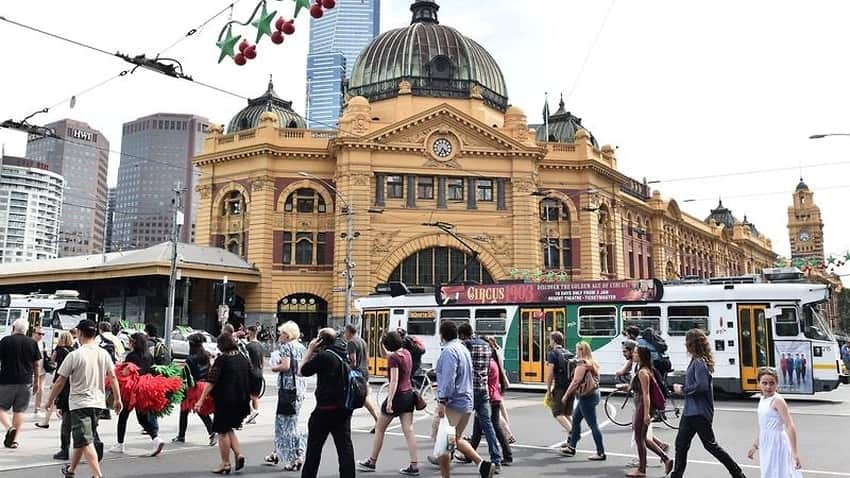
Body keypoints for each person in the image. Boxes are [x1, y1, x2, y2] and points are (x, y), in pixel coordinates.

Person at [46, 319, 122, 478]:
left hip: (79, 404)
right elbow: (113, 377)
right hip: (98, 403)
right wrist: (117, 399)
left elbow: (60, 381)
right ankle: (71, 470)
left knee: (86, 441)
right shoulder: (104, 353)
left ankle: (97, 475)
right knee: (82, 438)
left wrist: (49, 400)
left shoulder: (75, 355)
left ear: (79, 333)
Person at [670, 329, 746, 478]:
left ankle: (737, 473)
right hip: (690, 412)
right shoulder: (697, 360)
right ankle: (676, 475)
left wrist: (682, 389)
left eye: (686, 342)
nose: (685, 345)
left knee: (710, 445)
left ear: (691, 344)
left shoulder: (699, 362)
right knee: (681, 444)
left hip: (698, 413)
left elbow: (702, 385)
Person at [435, 320, 495, 478]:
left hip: (454, 402)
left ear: (442, 335)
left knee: (444, 443)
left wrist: (442, 401)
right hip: (467, 400)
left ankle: (446, 476)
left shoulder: (449, 351)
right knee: (455, 438)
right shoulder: (463, 348)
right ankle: (482, 464)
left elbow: (449, 378)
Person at [358, 331, 419, 476]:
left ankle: (372, 461)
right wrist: (381, 343)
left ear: (388, 345)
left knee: (379, 428)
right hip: (409, 394)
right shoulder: (406, 353)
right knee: (409, 431)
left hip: (397, 396)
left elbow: (394, 381)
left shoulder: (394, 358)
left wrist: (390, 400)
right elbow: (387, 355)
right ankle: (414, 464)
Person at [300, 328, 355, 478]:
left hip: (325, 409)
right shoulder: (343, 353)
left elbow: (302, 370)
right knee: (345, 449)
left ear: (320, 341)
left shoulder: (324, 356)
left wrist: (310, 350)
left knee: (314, 450)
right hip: (343, 408)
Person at [195, 333, 253, 474]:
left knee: (221, 432)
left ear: (222, 345)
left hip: (226, 400)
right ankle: (239, 454)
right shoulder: (243, 358)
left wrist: (200, 400)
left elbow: (211, 381)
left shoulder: (223, 360)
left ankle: (225, 463)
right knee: (228, 428)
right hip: (242, 401)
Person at [110, 332, 164, 456]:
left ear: (134, 342)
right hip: (144, 389)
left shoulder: (131, 356)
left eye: (130, 341)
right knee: (142, 418)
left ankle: (120, 444)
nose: (129, 343)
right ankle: (156, 439)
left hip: (131, 390)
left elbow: (125, 373)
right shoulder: (148, 355)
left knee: (123, 416)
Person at [457, 323, 502, 469]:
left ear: (463, 335)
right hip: (483, 390)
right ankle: (496, 459)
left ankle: (446, 455)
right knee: (488, 427)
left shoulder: (466, 345)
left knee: (455, 427)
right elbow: (488, 368)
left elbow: (461, 367)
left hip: (469, 391)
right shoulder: (485, 345)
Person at [264, 321, 307, 471]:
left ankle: (292, 458)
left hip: (288, 389)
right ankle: (293, 453)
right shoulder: (301, 347)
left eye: (281, 333)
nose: (279, 335)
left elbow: (285, 366)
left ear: (287, 335)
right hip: (300, 388)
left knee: (285, 425)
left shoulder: (285, 347)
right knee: (293, 423)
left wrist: (274, 368)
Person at [625, 345, 672, 477]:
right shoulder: (645, 369)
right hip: (643, 406)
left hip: (643, 406)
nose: (633, 355)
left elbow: (646, 395)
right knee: (643, 438)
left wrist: (646, 414)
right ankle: (666, 459)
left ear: (641, 356)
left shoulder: (643, 372)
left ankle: (642, 469)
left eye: (635, 353)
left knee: (639, 439)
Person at [0, 317, 42, 449]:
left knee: (1, 408)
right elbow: (36, 364)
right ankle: (13, 440)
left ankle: (9, 428)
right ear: (26, 330)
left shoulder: (5, 341)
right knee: (19, 411)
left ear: (13, 328)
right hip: (26, 381)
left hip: (6, 380)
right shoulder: (32, 343)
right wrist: (37, 382)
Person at [468, 342, 513, 466]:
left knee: (493, 428)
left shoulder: (489, 365)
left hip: (490, 399)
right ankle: (468, 455)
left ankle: (506, 455)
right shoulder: (494, 363)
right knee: (478, 430)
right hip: (493, 397)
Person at [560, 342, 606, 461]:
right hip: (593, 394)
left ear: (580, 350)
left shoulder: (582, 365)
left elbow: (575, 382)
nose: (575, 352)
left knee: (593, 424)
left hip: (586, 397)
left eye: (576, 350)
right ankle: (572, 447)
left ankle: (600, 452)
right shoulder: (592, 362)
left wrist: (566, 395)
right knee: (575, 420)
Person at [37, 332, 75, 459]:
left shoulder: (58, 350)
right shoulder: (74, 350)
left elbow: (52, 362)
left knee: (56, 403)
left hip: (60, 377)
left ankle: (47, 420)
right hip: (72, 382)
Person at [173, 334, 215, 446]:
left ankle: (181, 435)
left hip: (193, 387)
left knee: (184, 410)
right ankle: (211, 432)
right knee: (202, 411)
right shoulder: (206, 355)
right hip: (204, 385)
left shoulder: (190, 359)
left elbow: (187, 376)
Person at [343, 324, 379, 426]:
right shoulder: (362, 341)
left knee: (358, 397)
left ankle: (377, 419)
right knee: (363, 396)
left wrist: (347, 367)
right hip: (364, 371)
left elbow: (353, 361)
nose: (344, 335)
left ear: (349, 332)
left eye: (345, 332)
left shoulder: (351, 343)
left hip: (356, 373)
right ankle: (377, 419)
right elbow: (367, 358)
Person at [483, 336, 515, 444]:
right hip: (498, 383)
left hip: (493, 386)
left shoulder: (490, 355)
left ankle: (508, 433)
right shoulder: (497, 352)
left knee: (496, 413)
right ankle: (507, 428)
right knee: (500, 407)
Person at [545, 331, 574, 440]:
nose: (549, 341)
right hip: (570, 386)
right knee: (567, 412)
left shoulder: (552, 354)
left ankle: (572, 433)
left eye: (550, 339)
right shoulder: (568, 352)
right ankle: (573, 434)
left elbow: (551, 372)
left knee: (557, 412)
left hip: (560, 387)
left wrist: (548, 389)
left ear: (553, 340)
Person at [244, 325, 264, 425]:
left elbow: (246, 361)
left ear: (251, 332)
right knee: (255, 396)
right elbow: (262, 361)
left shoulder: (248, 346)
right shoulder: (260, 345)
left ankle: (252, 411)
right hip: (259, 373)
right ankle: (253, 417)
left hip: (251, 373)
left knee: (245, 395)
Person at [32, 326, 49, 417]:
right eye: (39, 334)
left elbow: (45, 356)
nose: (41, 336)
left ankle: (37, 409)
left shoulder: (43, 343)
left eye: (43, 334)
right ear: (34, 333)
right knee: (29, 389)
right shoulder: (30, 342)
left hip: (42, 369)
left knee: (41, 389)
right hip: (31, 370)